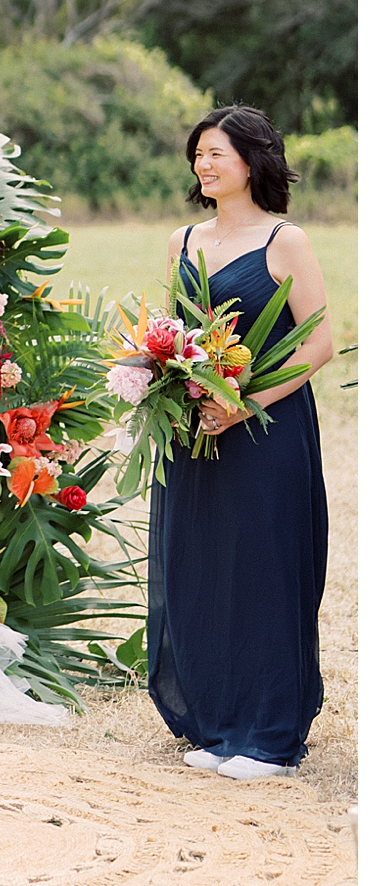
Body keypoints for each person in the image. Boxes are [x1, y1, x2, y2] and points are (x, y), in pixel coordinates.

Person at [151, 106, 332, 781]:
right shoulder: (182, 240)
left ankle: (268, 735)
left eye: (217, 153)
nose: (204, 163)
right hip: (195, 431)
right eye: (198, 153)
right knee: (201, 563)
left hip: (268, 428)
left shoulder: (286, 240)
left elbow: (316, 344)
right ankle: (217, 722)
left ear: (253, 162)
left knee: (265, 567)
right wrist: (170, 388)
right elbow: (173, 334)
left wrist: (244, 403)